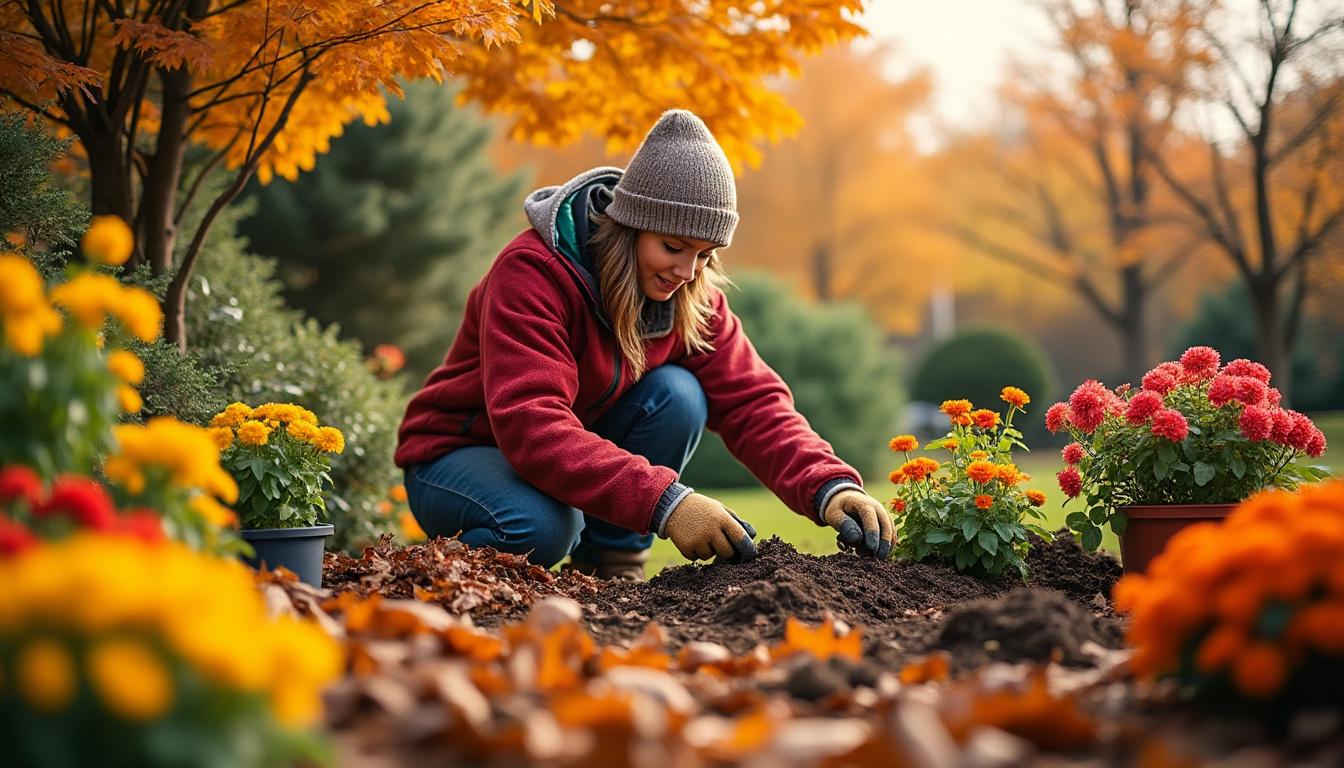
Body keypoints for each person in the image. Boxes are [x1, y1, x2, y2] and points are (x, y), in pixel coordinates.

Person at [395, 109, 893, 580]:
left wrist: (829, 485)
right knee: (539, 528)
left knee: (678, 394)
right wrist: (667, 503)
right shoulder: (533, 273)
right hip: (458, 453)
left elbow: (753, 402)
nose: (687, 271)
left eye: (705, 254)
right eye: (673, 247)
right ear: (628, 227)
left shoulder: (691, 298)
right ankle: (432, 580)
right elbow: (532, 424)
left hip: (562, 456)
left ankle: (611, 565)